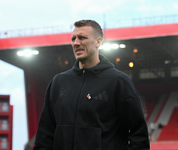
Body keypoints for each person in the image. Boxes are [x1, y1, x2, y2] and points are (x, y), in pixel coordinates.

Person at [33, 20, 150, 150]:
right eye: (73, 39)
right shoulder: (58, 82)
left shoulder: (118, 81)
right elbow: (45, 134)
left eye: (82, 38)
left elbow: (139, 136)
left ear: (98, 42)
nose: (76, 43)